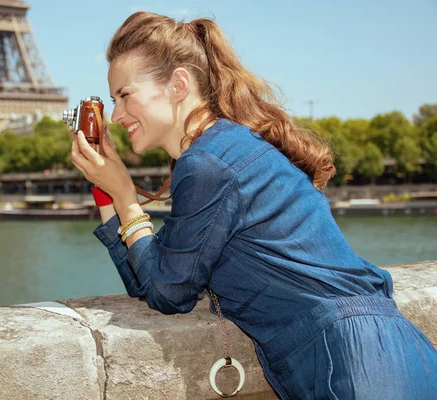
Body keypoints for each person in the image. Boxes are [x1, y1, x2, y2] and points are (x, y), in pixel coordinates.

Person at [70, 11, 437, 399]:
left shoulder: (205, 164)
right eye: (111, 101)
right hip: (393, 352)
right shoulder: (230, 148)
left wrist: (127, 197)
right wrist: (105, 189)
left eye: (125, 96)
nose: (116, 115)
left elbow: (169, 294)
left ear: (178, 84)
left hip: (350, 366)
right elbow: (155, 277)